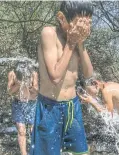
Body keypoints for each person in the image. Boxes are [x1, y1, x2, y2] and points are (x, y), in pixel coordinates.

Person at [30, 1, 94, 155]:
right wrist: (71, 44)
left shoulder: (76, 41)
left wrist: (80, 43)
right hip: (50, 108)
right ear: (61, 17)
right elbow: (55, 76)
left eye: (87, 23)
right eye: (79, 23)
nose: (82, 28)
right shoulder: (49, 33)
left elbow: (88, 74)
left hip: (73, 106)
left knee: (79, 152)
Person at [7, 61, 38, 155]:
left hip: (32, 104)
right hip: (18, 104)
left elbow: (37, 91)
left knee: (34, 130)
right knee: (21, 130)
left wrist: (31, 87)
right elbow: (9, 91)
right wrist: (18, 84)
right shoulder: (12, 74)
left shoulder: (33, 73)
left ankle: (35, 152)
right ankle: (23, 153)